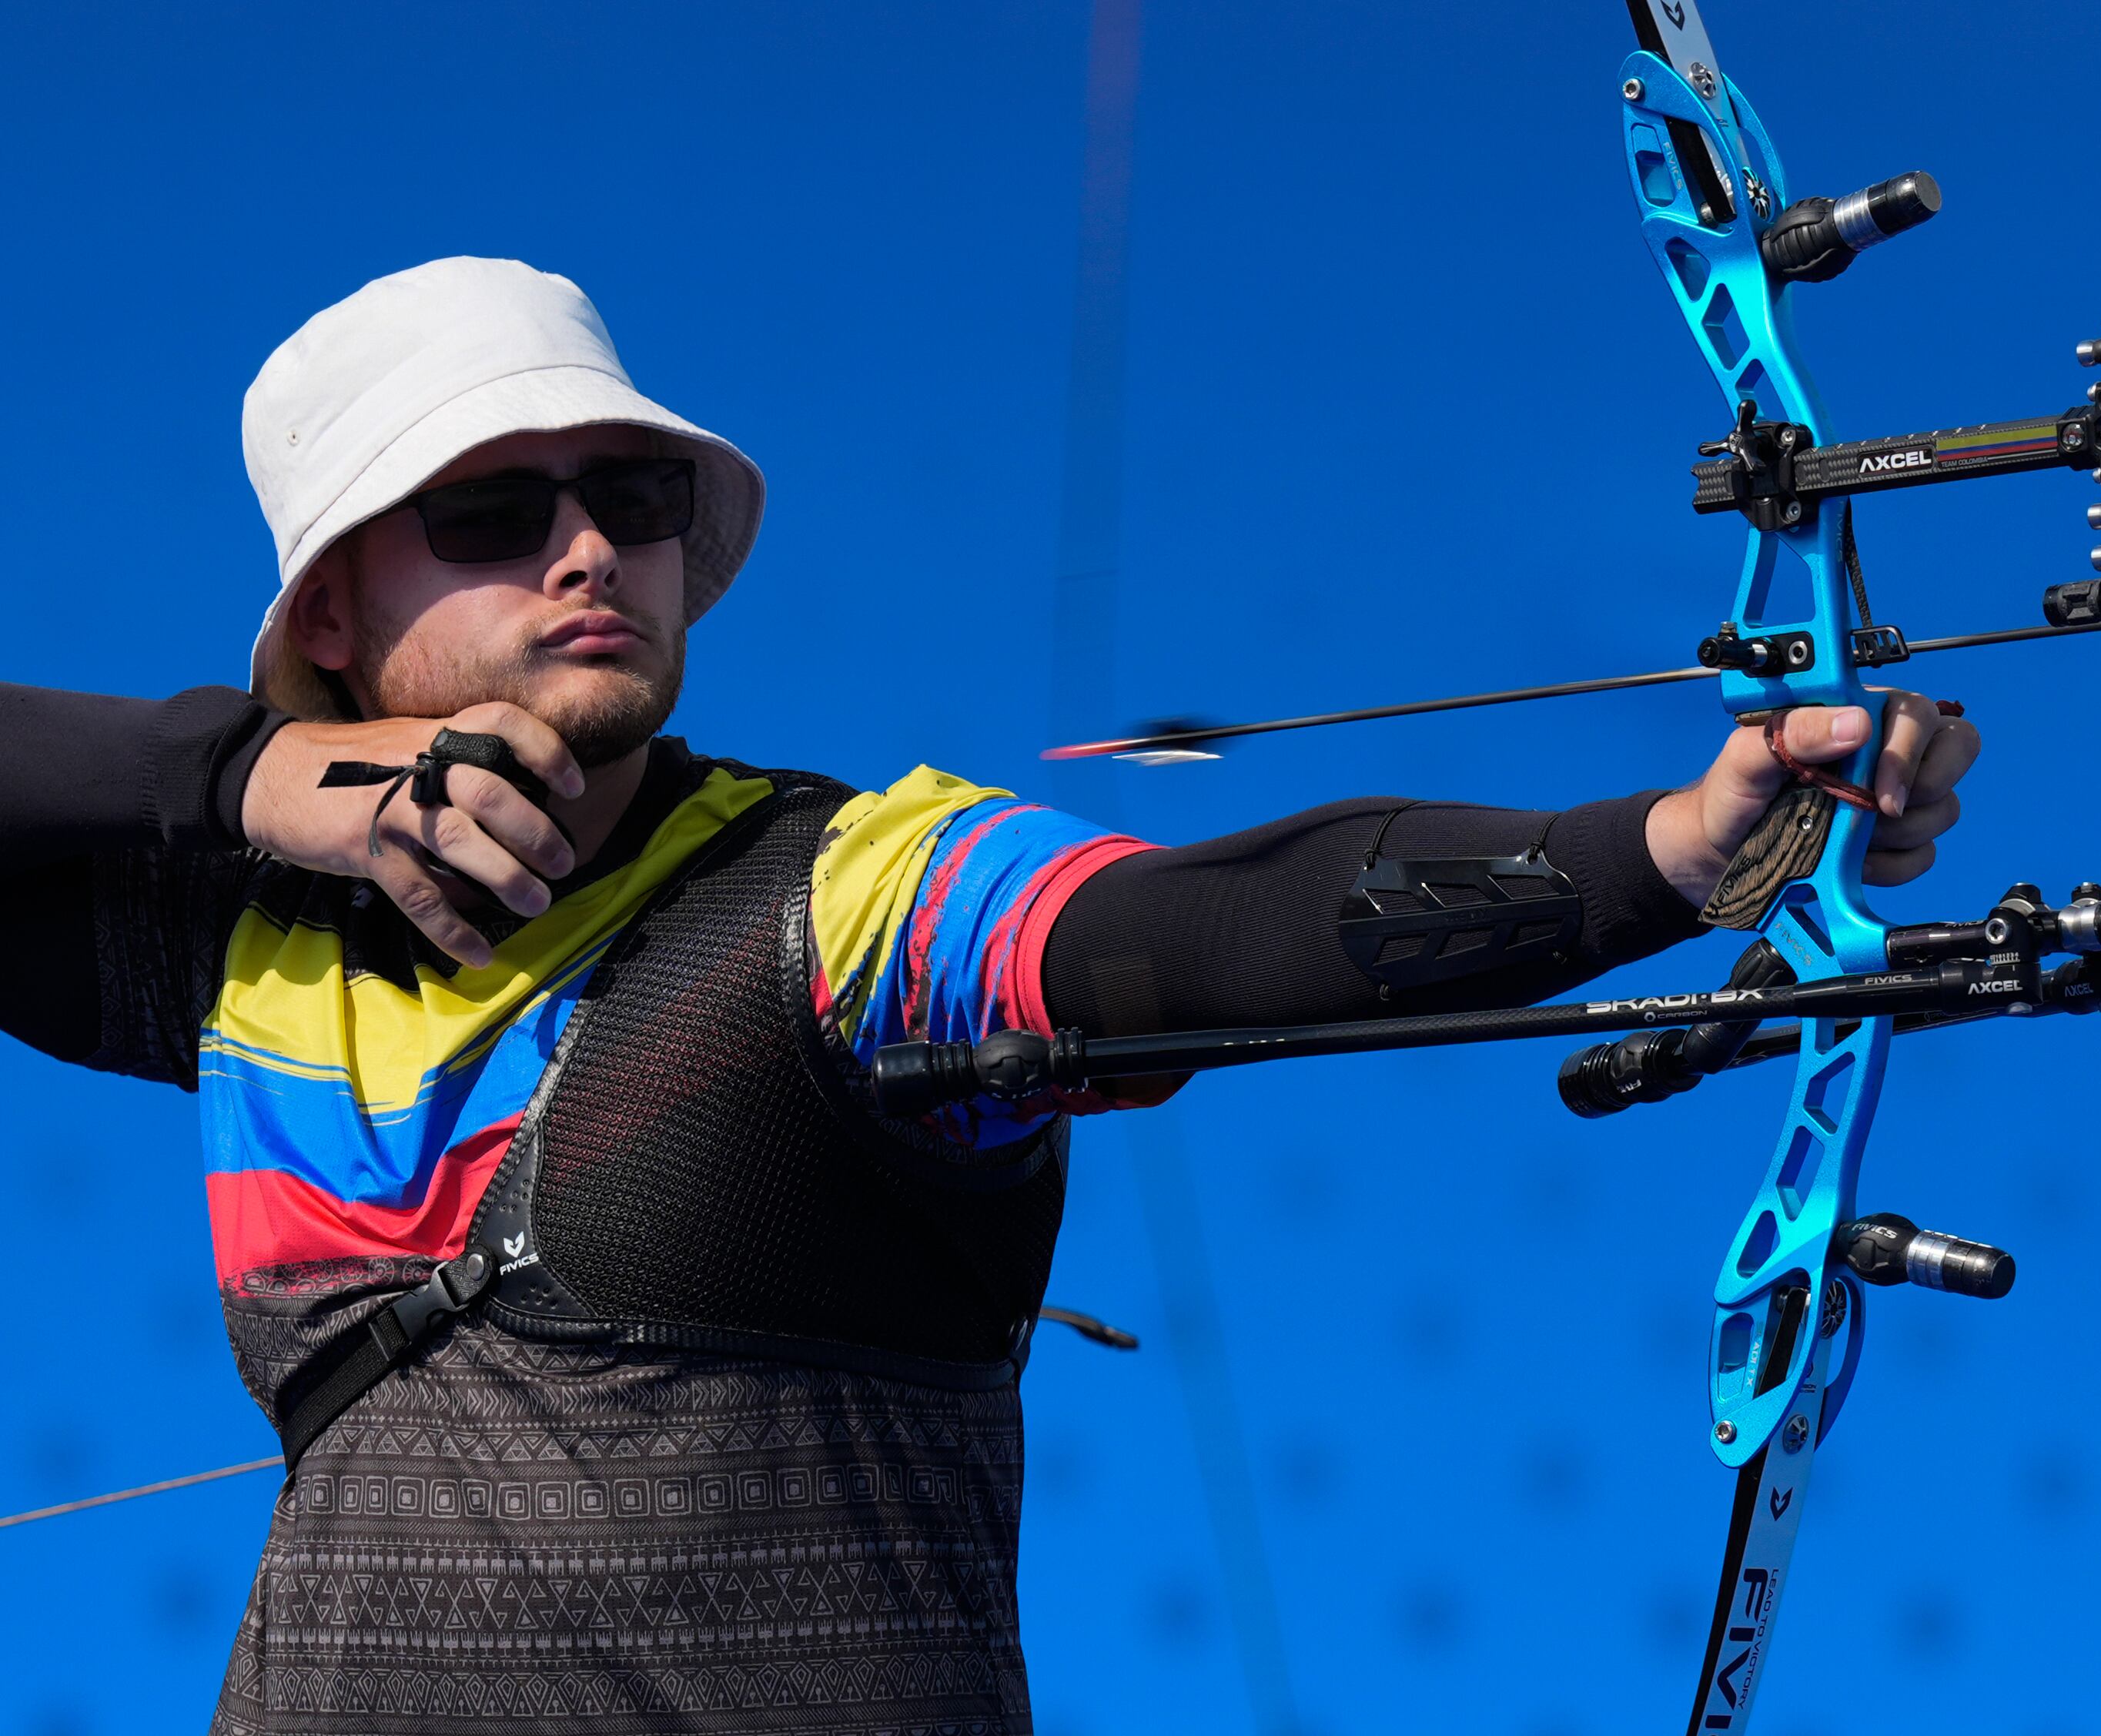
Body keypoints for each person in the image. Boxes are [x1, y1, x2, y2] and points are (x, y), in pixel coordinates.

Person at [0, 257, 1976, 1734]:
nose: (596, 547)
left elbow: (1217, 924)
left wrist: (1661, 848)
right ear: (333, 611)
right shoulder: (242, 946)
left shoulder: (847, 892)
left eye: (635, 493)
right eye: (499, 511)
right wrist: (250, 779)